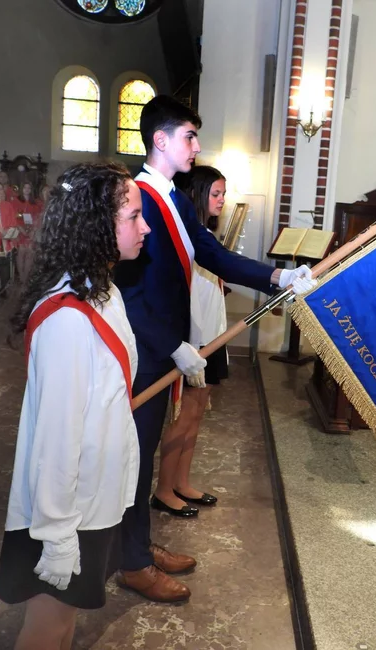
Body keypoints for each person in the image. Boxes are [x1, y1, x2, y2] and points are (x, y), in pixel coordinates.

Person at [112, 95, 315, 603]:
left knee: (145, 452)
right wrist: (172, 345)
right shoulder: (137, 197)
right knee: (134, 458)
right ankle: (131, 563)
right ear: (160, 140)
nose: (196, 146)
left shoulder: (176, 199)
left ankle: (136, 546)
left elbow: (213, 255)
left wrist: (278, 276)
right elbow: (129, 292)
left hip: (167, 348)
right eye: (189, 136)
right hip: (145, 351)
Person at [0, 162, 150, 650]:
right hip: (64, 510)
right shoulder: (67, 320)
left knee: (65, 624)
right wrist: (58, 535)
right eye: (133, 216)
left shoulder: (104, 292)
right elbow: (56, 440)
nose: (144, 227)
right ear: (96, 225)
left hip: (92, 498)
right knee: (47, 628)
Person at [152, 166, 229, 518]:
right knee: (181, 417)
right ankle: (163, 489)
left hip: (215, 335)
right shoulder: (186, 239)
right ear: (197, 195)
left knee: (197, 415)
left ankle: (182, 482)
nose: (222, 200)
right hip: (195, 340)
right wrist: (193, 344)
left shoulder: (206, 236)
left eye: (223, 194)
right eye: (216, 194)